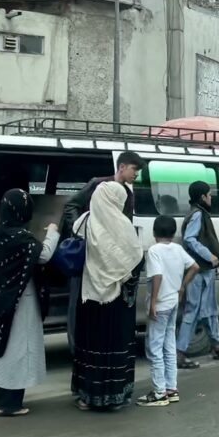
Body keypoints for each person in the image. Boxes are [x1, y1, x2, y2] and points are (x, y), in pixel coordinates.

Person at [0, 189, 60, 417]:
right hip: (20, 301)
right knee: (18, 348)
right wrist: (53, 233)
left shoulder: (0, 231)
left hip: (1, 299)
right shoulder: (19, 237)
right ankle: (9, 404)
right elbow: (43, 255)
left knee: (1, 346)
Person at [61, 150, 144, 353]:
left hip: (111, 258)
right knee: (79, 300)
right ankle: (77, 350)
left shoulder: (128, 193)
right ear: (122, 167)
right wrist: (85, 231)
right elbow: (70, 205)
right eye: (134, 169)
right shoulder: (99, 185)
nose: (136, 175)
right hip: (90, 252)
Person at [71, 181, 144, 411]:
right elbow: (135, 260)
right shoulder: (125, 227)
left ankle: (87, 396)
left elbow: (74, 242)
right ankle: (115, 396)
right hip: (118, 302)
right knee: (115, 345)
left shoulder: (84, 221)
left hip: (91, 296)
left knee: (91, 344)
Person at [137, 216, 199, 408]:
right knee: (169, 346)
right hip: (173, 303)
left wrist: (153, 302)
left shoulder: (155, 250)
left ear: (154, 232)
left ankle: (159, 393)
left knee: (154, 349)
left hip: (161, 304)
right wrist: (182, 287)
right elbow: (194, 267)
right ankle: (171, 389)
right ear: (173, 233)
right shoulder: (178, 249)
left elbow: (157, 276)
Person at [177, 181, 219, 368]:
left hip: (205, 270)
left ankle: (217, 346)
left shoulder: (199, 213)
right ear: (202, 197)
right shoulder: (197, 215)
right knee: (192, 311)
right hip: (197, 270)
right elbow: (190, 239)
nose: (211, 197)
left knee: (211, 310)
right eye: (209, 194)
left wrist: (212, 266)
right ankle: (180, 353)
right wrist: (208, 256)